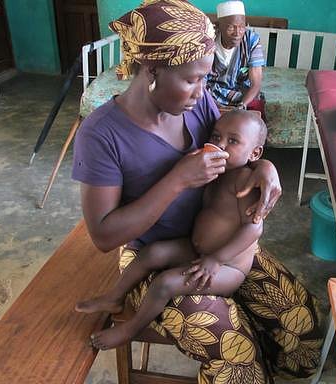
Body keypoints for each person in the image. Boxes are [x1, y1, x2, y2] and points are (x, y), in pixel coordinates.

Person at [72, 1, 322, 382]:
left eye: (205, 79)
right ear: (152, 71)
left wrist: (266, 167)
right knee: (236, 359)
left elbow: (240, 144)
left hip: (216, 240)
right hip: (153, 257)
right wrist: (177, 180)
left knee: (300, 319)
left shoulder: (196, 103)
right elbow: (104, 235)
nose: (201, 92)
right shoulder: (101, 134)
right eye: (192, 80)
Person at [77, 110, 268, 350]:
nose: (220, 145)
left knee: (165, 283)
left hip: (227, 267)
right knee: (154, 252)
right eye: (216, 136)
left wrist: (216, 259)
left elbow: (254, 229)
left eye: (233, 141)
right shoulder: (216, 169)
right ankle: (115, 297)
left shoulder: (245, 182)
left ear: (255, 153)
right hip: (198, 249)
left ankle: (130, 328)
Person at [206, 1, 266, 119]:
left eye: (242, 27)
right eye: (231, 27)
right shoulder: (208, 41)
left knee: (256, 112)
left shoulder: (251, 41)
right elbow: (200, 81)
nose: (237, 33)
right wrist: (216, 107)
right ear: (218, 26)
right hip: (212, 93)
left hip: (242, 94)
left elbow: (256, 83)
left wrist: (242, 105)